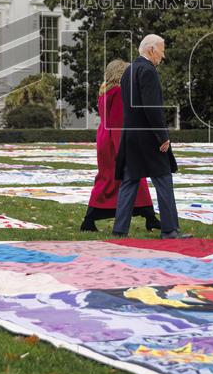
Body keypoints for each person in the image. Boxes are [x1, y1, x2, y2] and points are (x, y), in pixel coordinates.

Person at [112, 34, 191, 239]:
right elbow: (152, 107)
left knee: (130, 181)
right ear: (151, 49)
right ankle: (170, 229)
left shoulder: (128, 71)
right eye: (162, 51)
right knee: (163, 179)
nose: (163, 56)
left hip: (131, 135)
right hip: (148, 137)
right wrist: (162, 136)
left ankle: (119, 229)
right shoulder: (148, 71)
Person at [79, 60, 161, 232]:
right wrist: (124, 149)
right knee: (129, 176)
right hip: (116, 140)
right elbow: (118, 121)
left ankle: (149, 217)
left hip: (105, 138)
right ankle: (148, 217)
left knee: (108, 178)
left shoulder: (104, 91)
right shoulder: (118, 92)